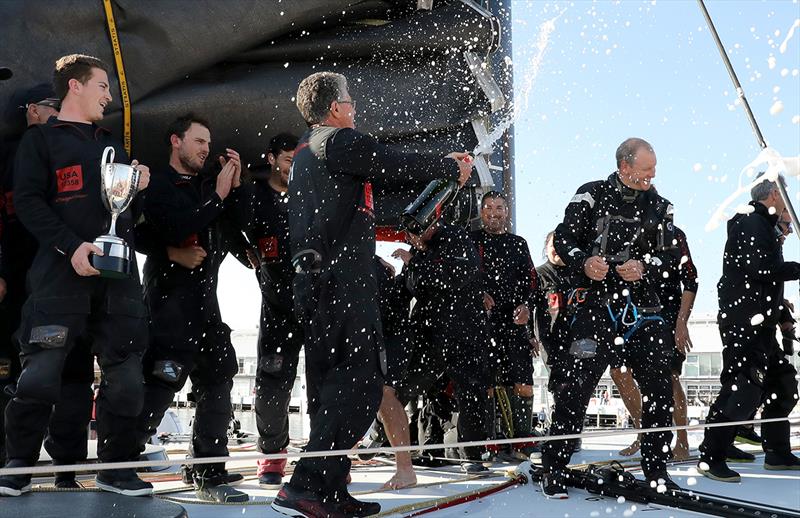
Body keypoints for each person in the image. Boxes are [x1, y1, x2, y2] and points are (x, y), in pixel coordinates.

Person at [272, 71, 472, 518]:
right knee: (363, 384)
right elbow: (386, 160)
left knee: (333, 386)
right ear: (335, 108)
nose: (355, 108)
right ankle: (305, 485)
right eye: (350, 101)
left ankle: (328, 488)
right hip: (342, 283)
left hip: (319, 282)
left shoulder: (313, 154)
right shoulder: (334, 141)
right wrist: (446, 165)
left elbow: (381, 180)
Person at [0, 54, 152, 497]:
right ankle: (17, 469)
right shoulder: (41, 142)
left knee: (125, 378)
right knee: (41, 376)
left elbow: (124, 217)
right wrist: (72, 247)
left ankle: (117, 469)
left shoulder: (113, 146)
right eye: (103, 86)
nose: (109, 95)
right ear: (75, 87)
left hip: (117, 278)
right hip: (58, 277)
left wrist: (138, 188)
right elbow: (28, 203)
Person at [540, 137, 679, 499]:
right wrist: (584, 261)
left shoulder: (661, 206)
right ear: (624, 167)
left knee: (659, 391)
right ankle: (554, 467)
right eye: (646, 169)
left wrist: (646, 265)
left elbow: (671, 258)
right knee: (575, 388)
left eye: (654, 168)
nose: (652, 175)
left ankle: (656, 470)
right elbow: (565, 240)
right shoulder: (589, 194)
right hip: (595, 307)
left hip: (643, 311)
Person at [132, 114, 249, 503]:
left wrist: (234, 186)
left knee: (219, 378)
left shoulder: (207, 186)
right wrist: (215, 197)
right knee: (161, 383)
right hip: (169, 303)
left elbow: (237, 228)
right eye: (199, 141)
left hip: (207, 305)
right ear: (175, 141)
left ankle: (209, 470)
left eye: (208, 142)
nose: (205, 148)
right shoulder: (158, 184)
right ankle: (120, 465)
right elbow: (166, 228)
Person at [0, 84, 98, 489]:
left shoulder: (76, 150)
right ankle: (11, 465)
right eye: (51, 107)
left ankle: (68, 470)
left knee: (74, 371)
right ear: (31, 112)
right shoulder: (8, 155)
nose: (59, 112)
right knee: (17, 372)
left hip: (59, 275)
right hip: (13, 282)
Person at [698, 173, 800, 482]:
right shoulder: (752, 223)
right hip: (746, 323)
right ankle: (712, 455)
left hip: (761, 324)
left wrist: (782, 313)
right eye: (784, 194)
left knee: (782, 384)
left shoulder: (764, 226)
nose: (787, 202)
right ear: (773, 195)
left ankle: (777, 452)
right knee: (741, 388)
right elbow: (760, 269)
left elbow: (764, 281)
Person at [390, 217, 493, 473]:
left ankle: (473, 454)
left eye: (414, 235)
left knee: (470, 392)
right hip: (428, 332)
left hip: (464, 332)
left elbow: (454, 277)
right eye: (408, 237)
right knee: (403, 388)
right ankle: (385, 438)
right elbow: (404, 291)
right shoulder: (416, 254)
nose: (411, 241)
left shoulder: (455, 239)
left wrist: (415, 263)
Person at [229, 132, 301, 489]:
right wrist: (248, 255)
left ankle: (330, 458)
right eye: (288, 160)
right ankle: (272, 455)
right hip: (277, 308)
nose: (293, 168)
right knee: (273, 386)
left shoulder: (310, 194)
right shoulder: (254, 197)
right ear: (272, 158)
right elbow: (227, 226)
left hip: (318, 303)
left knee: (324, 385)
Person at [610, 222, 698, 460]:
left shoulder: (675, 234)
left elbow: (691, 280)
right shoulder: (622, 229)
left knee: (669, 376)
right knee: (619, 372)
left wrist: (681, 322)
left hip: (667, 311)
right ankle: (644, 434)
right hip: (629, 312)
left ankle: (682, 440)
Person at [470, 191, 538, 458]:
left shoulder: (519, 243)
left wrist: (526, 306)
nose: (494, 212)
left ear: (506, 212)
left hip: (514, 323)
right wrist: (476, 294)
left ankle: (522, 440)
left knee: (523, 383)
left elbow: (532, 282)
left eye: (499, 207)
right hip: (482, 324)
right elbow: (460, 276)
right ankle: (490, 441)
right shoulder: (471, 241)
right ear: (481, 211)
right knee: (485, 383)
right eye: (488, 207)